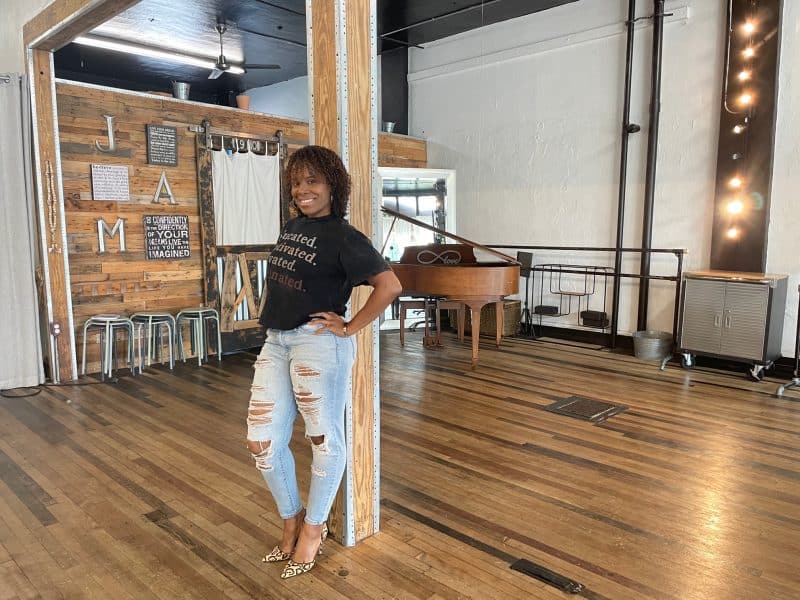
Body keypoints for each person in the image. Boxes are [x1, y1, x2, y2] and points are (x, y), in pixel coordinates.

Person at [245, 145, 402, 579]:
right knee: (262, 443)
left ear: (334, 185)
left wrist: (350, 327)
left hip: (318, 344)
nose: (302, 190)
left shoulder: (346, 237)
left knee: (324, 441)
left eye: (312, 181)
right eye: (296, 182)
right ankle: (291, 519)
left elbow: (389, 286)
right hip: (276, 342)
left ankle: (313, 531)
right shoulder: (292, 226)